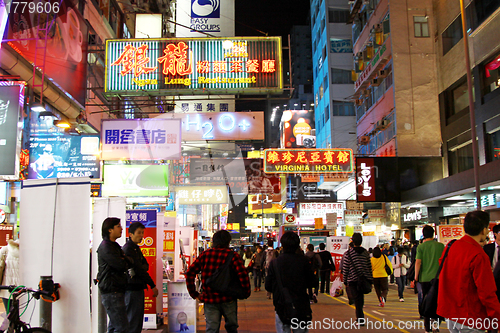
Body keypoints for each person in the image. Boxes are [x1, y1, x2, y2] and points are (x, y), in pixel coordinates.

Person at [437, 211, 500, 332]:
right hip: (470, 317)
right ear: (483, 230)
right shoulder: (478, 255)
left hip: (451, 315)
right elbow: (487, 293)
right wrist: (497, 319)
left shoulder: (451, 246)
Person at [185, 230, 250, 333]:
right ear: (228, 242)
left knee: (211, 329)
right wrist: (245, 292)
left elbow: (190, 273)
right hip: (229, 298)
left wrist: (195, 294)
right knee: (232, 328)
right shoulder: (233, 256)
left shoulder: (205, 255)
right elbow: (243, 275)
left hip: (210, 299)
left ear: (213, 241)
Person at [265, 231, 316, 333]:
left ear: (282, 245)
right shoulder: (304, 261)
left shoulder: (275, 263)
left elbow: (268, 286)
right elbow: (312, 282)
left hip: (281, 305)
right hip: (300, 305)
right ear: (297, 245)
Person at [122, 222, 159, 333]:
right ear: (131, 234)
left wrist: (141, 267)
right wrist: (152, 285)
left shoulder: (135, 248)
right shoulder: (128, 249)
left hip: (136, 288)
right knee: (133, 320)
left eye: (142, 233)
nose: (141, 236)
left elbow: (145, 265)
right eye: (139, 233)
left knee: (136, 320)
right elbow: (140, 269)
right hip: (132, 289)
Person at [97, 217, 131, 333]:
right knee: (122, 327)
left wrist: (126, 260)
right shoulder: (106, 247)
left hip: (116, 289)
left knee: (114, 327)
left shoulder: (113, 246)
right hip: (112, 290)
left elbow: (126, 261)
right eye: (118, 226)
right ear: (110, 230)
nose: (121, 229)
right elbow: (121, 264)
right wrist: (126, 261)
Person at [415, 225, 445, 333]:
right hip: (438, 278)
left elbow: (418, 262)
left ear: (423, 235)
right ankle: (436, 323)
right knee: (438, 301)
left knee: (427, 302)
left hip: (425, 279)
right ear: (434, 234)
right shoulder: (441, 246)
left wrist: (415, 277)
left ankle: (428, 328)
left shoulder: (421, 247)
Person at [342, 233, 372, 326]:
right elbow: (369, 267)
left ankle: (360, 319)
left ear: (352, 241)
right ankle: (360, 317)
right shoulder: (366, 253)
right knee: (360, 299)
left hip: (353, 280)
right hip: (364, 279)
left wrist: (345, 281)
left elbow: (345, 268)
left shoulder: (348, 253)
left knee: (357, 299)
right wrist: (370, 280)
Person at [0, 239, 20, 310]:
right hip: (23, 291)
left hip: (6, 290)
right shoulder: (31, 252)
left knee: (10, 316)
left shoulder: (5, 250)